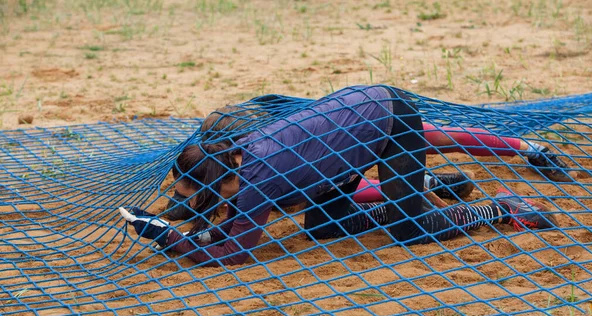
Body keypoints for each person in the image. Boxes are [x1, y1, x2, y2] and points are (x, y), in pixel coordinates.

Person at [119, 85, 558, 267]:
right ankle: (427, 186)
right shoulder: (239, 158)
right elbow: (231, 226)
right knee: (325, 229)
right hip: (350, 128)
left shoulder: (258, 182)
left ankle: (504, 205)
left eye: (191, 196)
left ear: (212, 183)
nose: (187, 204)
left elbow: (235, 254)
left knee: (413, 230)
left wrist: (162, 235)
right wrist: (187, 234)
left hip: (386, 117)